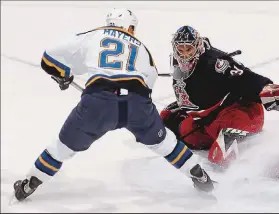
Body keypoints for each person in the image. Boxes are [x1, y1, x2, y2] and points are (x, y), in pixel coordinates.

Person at [13, 10, 215, 202]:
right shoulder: (142, 48)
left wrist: (64, 75)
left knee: (61, 148)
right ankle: (200, 176)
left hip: (99, 102)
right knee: (166, 144)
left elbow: (48, 58)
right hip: (137, 103)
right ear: (129, 27)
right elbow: (149, 84)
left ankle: (28, 185)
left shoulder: (93, 35)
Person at [160, 25, 279, 172]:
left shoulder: (216, 63)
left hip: (241, 114)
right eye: (181, 49)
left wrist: (270, 91)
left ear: (198, 46)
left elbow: (245, 79)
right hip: (209, 120)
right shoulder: (176, 61)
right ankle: (229, 138)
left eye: (189, 49)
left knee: (221, 157)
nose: (185, 54)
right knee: (179, 131)